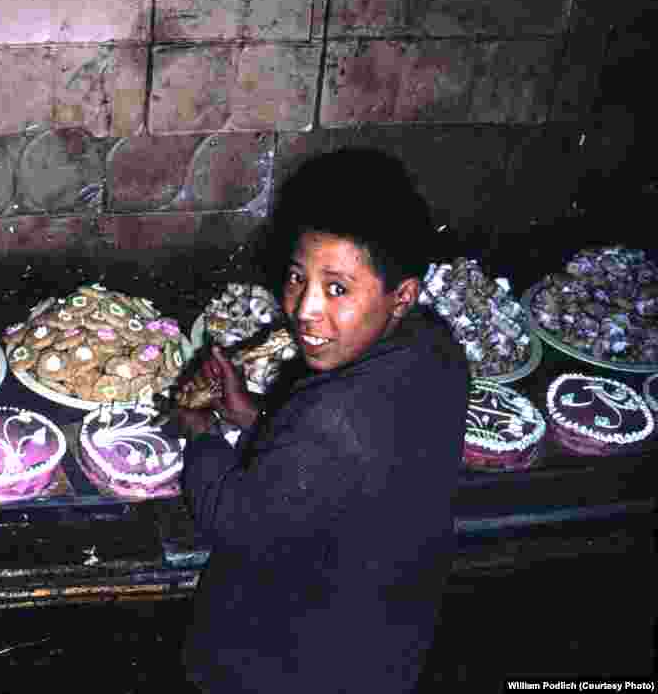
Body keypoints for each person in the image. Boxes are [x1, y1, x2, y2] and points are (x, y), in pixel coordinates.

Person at [172, 147, 470, 693]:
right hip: (384, 633)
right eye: (296, 277)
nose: (304, 310)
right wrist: (249, 412)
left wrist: (201, 430)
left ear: (401, 295)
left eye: (337, 289)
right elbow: (334, 471)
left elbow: (230, 517)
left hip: (296, 658)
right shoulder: (435, 349)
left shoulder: (335, 419)